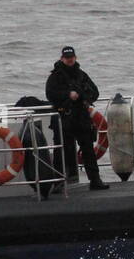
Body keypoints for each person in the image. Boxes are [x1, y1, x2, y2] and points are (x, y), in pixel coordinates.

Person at [45, 46, 108, 190]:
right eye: (67, 58)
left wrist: (84, 97)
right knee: (62, 151)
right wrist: (68, 95)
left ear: (75, 57)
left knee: (88, 150)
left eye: (71, 57)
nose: (70, 60)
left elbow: (95, 92)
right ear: (62, 59)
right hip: (64, 117)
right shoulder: (55, 77)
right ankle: (58, 183)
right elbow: (50, 95)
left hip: (81, 117)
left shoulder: (81, 75)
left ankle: (95, 180)